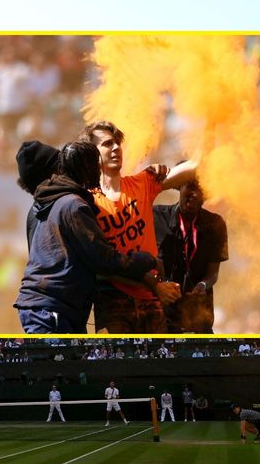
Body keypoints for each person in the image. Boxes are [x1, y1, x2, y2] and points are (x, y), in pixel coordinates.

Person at [14, 141, 161, 334]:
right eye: (93, 164)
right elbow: (103, 259)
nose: (98, 170)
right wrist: (148, 260)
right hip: (54, 311)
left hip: (49, 308)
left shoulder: (37, 210)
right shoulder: (73, 205)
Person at [81, 121, 193, 333]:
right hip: (112, 299)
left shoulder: (143, 182)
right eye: (107, 144)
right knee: (117, 363)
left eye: (117, 143)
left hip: (151, 297)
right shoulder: (86, 201)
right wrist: (156, 286)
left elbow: (192, 169)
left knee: (157, 364)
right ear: (92, 154)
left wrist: (215, 128)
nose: (116, 148)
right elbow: (101, 263)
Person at [152, 178, 227, 334]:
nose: (194, 194)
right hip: (162, 317)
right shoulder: (156, 216)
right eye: (191, 187)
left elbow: (213, 273)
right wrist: (161, 284)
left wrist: (202, 285)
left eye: (201, 190)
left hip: (199, 316)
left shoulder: (216, 224)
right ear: (179, 186)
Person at [15, 140, 61, 249]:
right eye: (60, 166)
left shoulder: (36, 213)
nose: (65, 170)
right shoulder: (63, 207)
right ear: (52, 176)